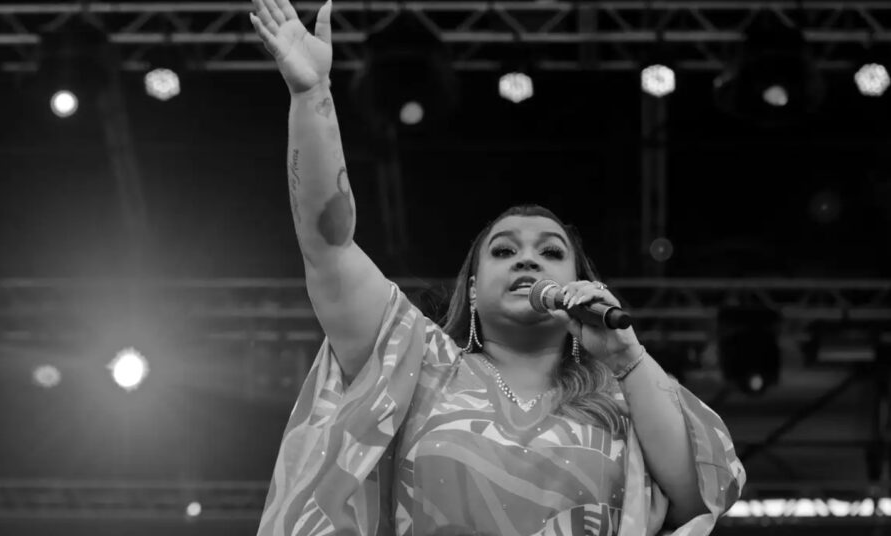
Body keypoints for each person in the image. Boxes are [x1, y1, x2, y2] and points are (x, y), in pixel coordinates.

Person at [249, 1, 746, 534]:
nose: (528, 257)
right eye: (504, 251)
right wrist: (312, 96)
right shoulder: (416, 362)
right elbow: (329, 247)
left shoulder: (624, 398)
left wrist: (628, 359)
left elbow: (699, 497)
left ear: (581, 283)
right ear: (471, 288)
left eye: (552, 252)